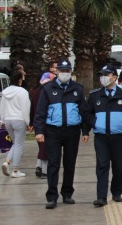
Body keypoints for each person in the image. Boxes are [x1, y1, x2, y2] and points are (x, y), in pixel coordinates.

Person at [34, 60, 91, 209]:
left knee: (70, 163)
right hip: (53, 131)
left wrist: (85, 131)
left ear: (71, 71)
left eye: (67, 70)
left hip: (72, 131)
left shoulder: (77, 89)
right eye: (62, 70)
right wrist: (39, 131)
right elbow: (40, 112)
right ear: (57, 72)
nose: (64, 73)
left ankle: (67, 193)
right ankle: (52, 196)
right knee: (53, 163)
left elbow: (84, 111)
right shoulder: (47, 89)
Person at [86, 66, 122, 207]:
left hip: (119, 136)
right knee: (102, 166)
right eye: (101, 75)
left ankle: (116, 192)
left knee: (117, 165)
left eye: (106, 75)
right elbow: (87, 113)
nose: (103, 77)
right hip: (101, 137)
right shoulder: (95, 95)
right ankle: (101, 196)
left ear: (114, 77)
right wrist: (92, 125)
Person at [0, 71, 32, 178]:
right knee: (19, 144)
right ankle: (15, 170)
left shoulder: (5, 92)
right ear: (19, 80)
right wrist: (28, 122)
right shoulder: (22, 92)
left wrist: (2, 120)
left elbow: (2, 107)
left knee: (15, 143)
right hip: (19, 120)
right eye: (22, 78)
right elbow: (25, 108)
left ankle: (7, 162)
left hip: (8, 120)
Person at [30, 70, 56, 179]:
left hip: (37, 123)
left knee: (41, 146)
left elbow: (32, 109)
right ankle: (45, 170)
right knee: (46, 147)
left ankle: (39, 166)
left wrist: (31, 122)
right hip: (45, 122)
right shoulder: (45, 91)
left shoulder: (36, 91)